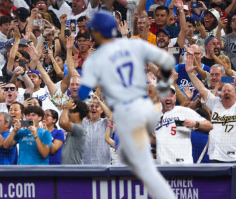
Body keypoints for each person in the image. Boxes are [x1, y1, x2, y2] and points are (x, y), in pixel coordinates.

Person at [78, 11, 175, 198]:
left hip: (128, 113)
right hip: (146, 108)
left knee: (146, 170)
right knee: (126, 159)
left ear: (97, 32)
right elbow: (168, 60)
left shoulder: (95, 59)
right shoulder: (135, 44)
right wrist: (162, 90)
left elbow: (82, 93)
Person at [186, 45, 236, 163]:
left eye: (217, 75)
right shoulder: (215, 102)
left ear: (223, 76)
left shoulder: (234, 88)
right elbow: (201, 88)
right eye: (212, 75)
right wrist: (190, 73)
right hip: (215, 157)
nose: (226, 92)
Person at [151, 86, 213, 164]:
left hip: (181, 165)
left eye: (171, 95)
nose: (168, 98)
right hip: (162, 166)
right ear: (159, 98)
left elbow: (209, 125)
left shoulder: (184, 112)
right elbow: (154, 138)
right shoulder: (155, 116)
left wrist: (195, 123)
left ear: (175, 98)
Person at [82, 95, 112, 165]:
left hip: (103, 165)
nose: (93, 108)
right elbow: (77, 114)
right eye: (92, 106)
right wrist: (89, 104)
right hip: (86, 164)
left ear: (102, 110)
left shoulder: (105, 122)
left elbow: (111, 116)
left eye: (97, 107)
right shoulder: (83, 122)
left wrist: (100, 102)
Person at [59, 99, 88, 164]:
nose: (68, 114)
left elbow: (63, 123)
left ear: (77, 114)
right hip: (69, 170)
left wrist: (66, 108)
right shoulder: (74, 128)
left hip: (73, 170)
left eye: (70, 112)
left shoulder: (79, 128)